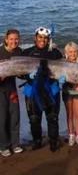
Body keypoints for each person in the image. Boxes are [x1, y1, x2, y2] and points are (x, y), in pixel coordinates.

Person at [22, 26, 63, 152]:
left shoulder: (55, 53)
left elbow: (63, 68)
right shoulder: (27, 53)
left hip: (51, 89)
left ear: (49, 39)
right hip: (32, 90)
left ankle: (53, 141)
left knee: (52, 117)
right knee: (34, 118)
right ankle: (37, 141)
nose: (42, 40)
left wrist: (62, 78)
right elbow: (18, 71)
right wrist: (26, 76)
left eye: (45, 38)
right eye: (40, 37)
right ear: (35, 38)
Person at [0, 29, 23, 157]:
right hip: (0, 89)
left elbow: (21, 72)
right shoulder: (0, 52)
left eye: (16, 39)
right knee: (2, 118)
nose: (14, 41)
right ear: (6, 39)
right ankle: (3, 146)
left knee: (15, 116)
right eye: (12, 39)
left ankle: (15, 144)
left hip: (12, 88)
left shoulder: (19, 51)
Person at [62, 42, 78, 147]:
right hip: (66, 90)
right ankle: (71, 134)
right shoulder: (62, 63)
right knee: (69, 114)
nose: (73, 54)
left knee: (77, 114)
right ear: (66, 52)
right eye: (70, 52)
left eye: (75, 51)